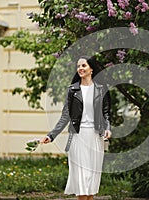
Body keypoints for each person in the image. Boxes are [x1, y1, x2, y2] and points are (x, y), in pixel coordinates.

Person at [42, 55, 111, 200]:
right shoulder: (72, 90)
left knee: (91, 177)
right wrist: (51, 135)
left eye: (83, 66)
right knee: (81, 176)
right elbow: (65, 116)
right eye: (78, 66)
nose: (80, 68)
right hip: (78, 137)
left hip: (95, 137)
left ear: (91, 69)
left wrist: (108, 128)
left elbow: (105, 113)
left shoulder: (101, 89)